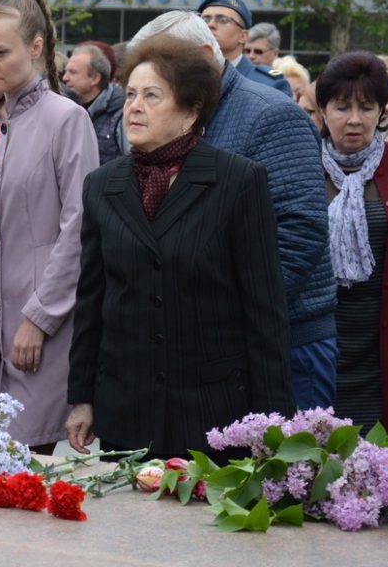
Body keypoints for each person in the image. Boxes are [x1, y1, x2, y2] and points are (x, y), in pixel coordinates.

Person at [66, 35, 294, 461]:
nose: (135, 106)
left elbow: (265, 311)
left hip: (214, 412)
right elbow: (92, 299)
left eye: (152, 96)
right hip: (127, 409)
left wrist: (273, 422)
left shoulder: (237, 181)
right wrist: (82, 396)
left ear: (191, 111)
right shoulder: (102, 184)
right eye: (130, 93)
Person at [126, 11, 336, 410]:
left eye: (162, 73)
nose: (145, 91)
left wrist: (218, 318)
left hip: (287, 342)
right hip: (200, 348)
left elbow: (300, 232)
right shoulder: (165, 123)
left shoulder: (271, 115)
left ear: (206, 55)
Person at [0, 0, 99, 449]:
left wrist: (40, 317)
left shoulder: (66, 119)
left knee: (26, 456)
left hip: (39, 326)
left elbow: (79, 227)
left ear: (37, 46)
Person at [315, 52, 388, 457]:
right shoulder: (301, 170)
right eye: (342, 107)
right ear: (322, 109)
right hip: (323, 349)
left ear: (383, 111)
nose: (354, 119)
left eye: (367, 108)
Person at [197, 0, 292, 96]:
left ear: (243, 36)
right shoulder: (188, 76)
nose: (210, 25)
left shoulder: (270, 84)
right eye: (205, 20)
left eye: (222, 20)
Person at [63, 44, 125, 165]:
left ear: (95, 78)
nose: (65, 78)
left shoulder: (121, 114)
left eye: (73, 72)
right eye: (66, 71)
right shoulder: (68, 109)